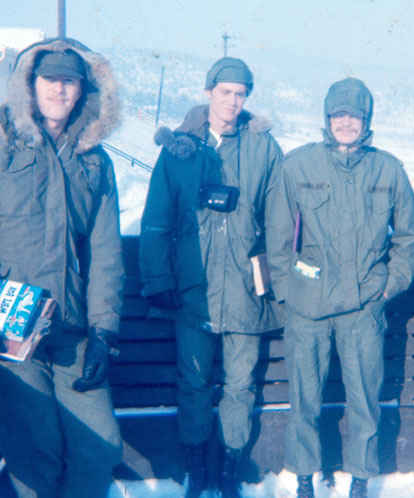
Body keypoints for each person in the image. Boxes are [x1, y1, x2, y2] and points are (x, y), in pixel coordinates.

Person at [266, 77, 414, 498]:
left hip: (363, 308)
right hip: (308, 308)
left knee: (365, 401)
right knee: (304, 400)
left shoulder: (387, 168)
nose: (346, 124)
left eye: (354, 116)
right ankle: (304, 478)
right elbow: (278, 238)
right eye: (338, 115)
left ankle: (360, 480)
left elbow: (412, 239)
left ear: (366, 120)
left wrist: (387, 286)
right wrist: (288, 291)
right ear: (327, 119)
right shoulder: (297, 166)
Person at [139, 56, 283, 497]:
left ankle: (230, 467)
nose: (233, 102)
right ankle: (197, 467)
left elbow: (279, 220)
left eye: (241, 94)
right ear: (208, 93)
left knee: (241, 384)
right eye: (225, 92)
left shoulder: (264, 149)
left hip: (244, 289)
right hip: (193, 291)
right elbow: (155, 221)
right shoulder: (180, 151)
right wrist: (158, 280)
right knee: (194, 381)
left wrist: (274, 278)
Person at [0, 38, 124, 497]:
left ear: (84, 91)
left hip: (72, 330)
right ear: (30, 85)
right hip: (12, 336)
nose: (60, 91)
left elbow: (106, 252)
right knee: (37, 450)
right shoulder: (4, 144)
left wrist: (104, 331)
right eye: (50, 80)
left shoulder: (94, 160)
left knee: (100, 444)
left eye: (69, 82)